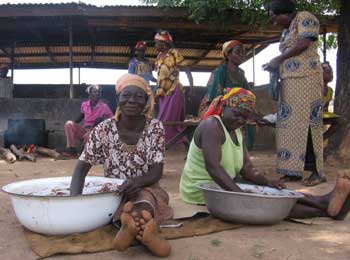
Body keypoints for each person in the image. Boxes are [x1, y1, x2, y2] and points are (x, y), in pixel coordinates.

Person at [180, 87, 350, 221]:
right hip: (201, 189)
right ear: (224, 107)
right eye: (237, 114)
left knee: (271, 193)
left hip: (224, 182)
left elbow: (247, 168)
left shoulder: (237, 131)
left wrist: (268, 182)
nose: (240, 121)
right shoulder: (212, 125)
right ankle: (326, 207)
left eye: (245, 118)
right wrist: (238, 193)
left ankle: (326, 204)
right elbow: (213, 167)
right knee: (264, 203)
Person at [70, 74, 172, 257]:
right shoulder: (102, 130)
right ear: (118, 99)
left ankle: (131, 225)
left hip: (146, 185)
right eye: (126, 95)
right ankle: (144, 228)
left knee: (146, 197)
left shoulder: (155, 127)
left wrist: (137, 182)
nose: (132, 100)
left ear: (146, 102)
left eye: (139, 96)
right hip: (115, 190)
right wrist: (73, 203)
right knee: (119, 204)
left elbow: (157, 171)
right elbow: (81, 167)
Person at [263, 0, 325, 186]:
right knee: (289, 127)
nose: (273, 21)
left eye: (274, 16)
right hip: (290, 83)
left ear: (284, 12)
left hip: (307, 79)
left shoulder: (305, 18)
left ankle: (317, 172)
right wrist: (274, 66)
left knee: (308, 125)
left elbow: (304, 43)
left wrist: (278, 59)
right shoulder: (285, 31)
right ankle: (293, 171)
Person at [198, 40, 255, 149]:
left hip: (234, 108)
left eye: (243, 52)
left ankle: (240, 149)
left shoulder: (241, 74)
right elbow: (215, 97)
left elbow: (248, 94)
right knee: (229, 118)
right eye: (238, 52)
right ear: (228, 55)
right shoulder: (220, 71)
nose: (242, 54)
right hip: (215, 106)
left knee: (250, 121)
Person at [154, 30, 193, 143]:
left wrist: (192, 87)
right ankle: (181, 142)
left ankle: (171, 144)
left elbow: (186, 69)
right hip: (162, 94)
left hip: (174, 91)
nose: (155, 45)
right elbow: (160, 78)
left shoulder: (174, 53)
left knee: (169, 121)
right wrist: (154, 92)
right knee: (165, 120)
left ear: (164, 43)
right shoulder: (158, 57)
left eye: (157, 42)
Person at [62, 84, 113, 156]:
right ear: (89, 94)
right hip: (85, 129)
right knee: (68, 124)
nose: (97, 94)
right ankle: (71, 149)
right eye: (94, 92)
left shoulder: (104, 107)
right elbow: (81, 116)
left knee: (88, 136)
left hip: (96, 131)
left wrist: (101, 122)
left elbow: (111, 119)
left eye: (98, 92)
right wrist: (73, 125)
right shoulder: (84, 105)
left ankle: (90, 154)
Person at [322, 62, 343, 146]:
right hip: (310, 116)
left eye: (331, 72)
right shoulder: (315, 88)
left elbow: (325, 107)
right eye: (327, 71)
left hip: (320, 116)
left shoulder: (330, 90)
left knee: (340, 121)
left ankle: (321, 138)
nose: (331, 74)